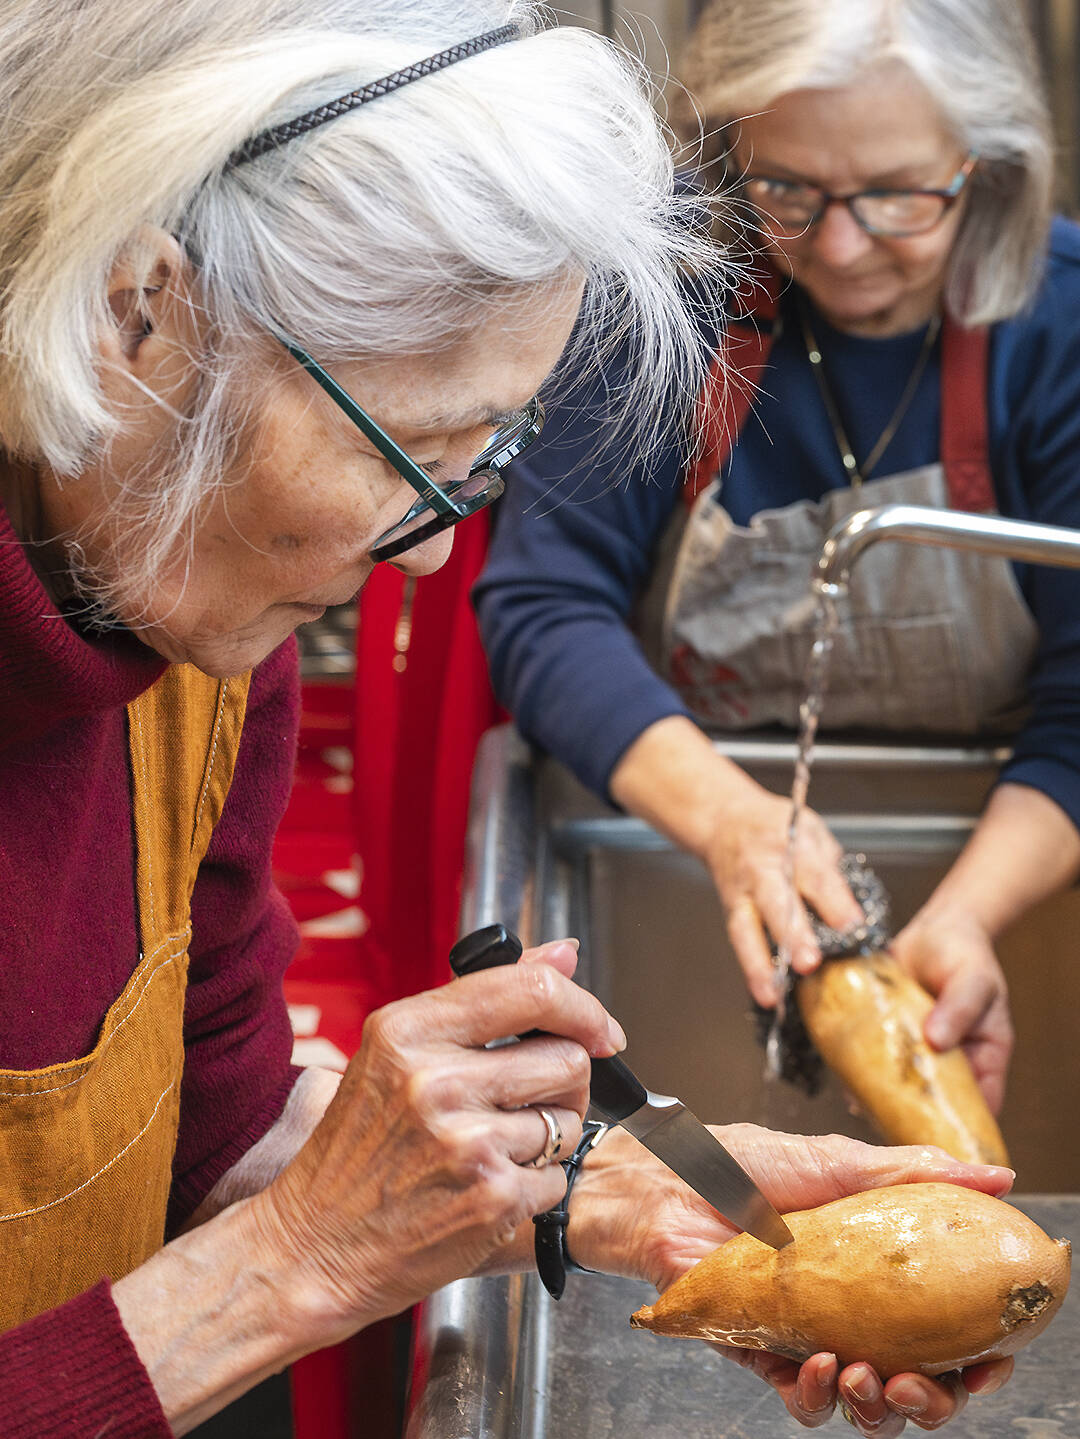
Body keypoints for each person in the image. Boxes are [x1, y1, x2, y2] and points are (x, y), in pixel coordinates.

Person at [0, 1, 1014, 1434]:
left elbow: (210, 1098)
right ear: (134, 317)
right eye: (410, 454)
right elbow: (267, 1231)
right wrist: (291, 1263)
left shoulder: (193, 638)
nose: (425, 555)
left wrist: (635, 1185)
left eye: (484, 458)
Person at [475, 0, 1080, 1123]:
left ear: (987, 168)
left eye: (898, 195)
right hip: (685, 840)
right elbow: (547, 608)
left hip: (1013, 857)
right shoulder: (666, 305)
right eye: (788, 188)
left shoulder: (1060, 329)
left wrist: (964, 919)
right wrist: (734, 823)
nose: (841, 249)